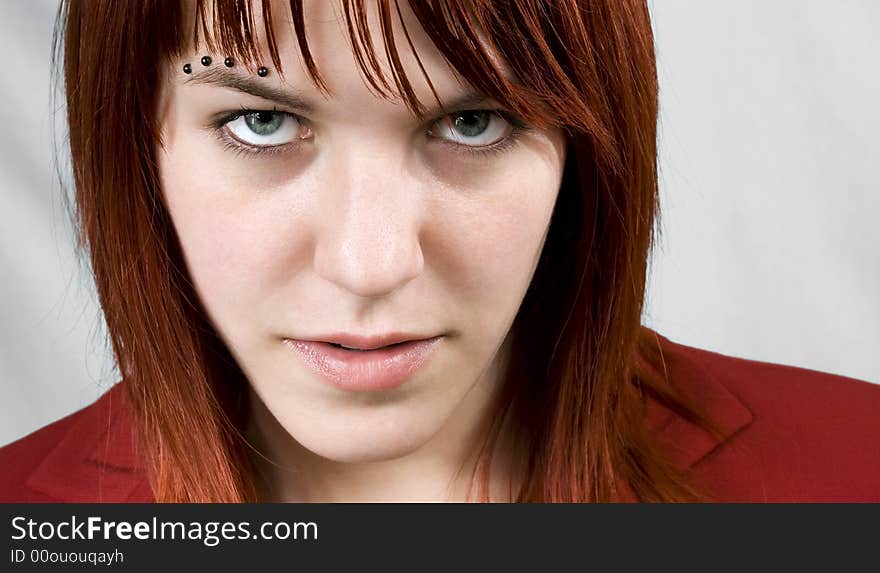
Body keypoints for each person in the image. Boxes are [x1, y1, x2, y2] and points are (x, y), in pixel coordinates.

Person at [1, 0, 878, 503]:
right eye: (260, 121)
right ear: (136, 140)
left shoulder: (853, 471)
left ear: (585, 150)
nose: (370, 261)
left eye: (471, 121)